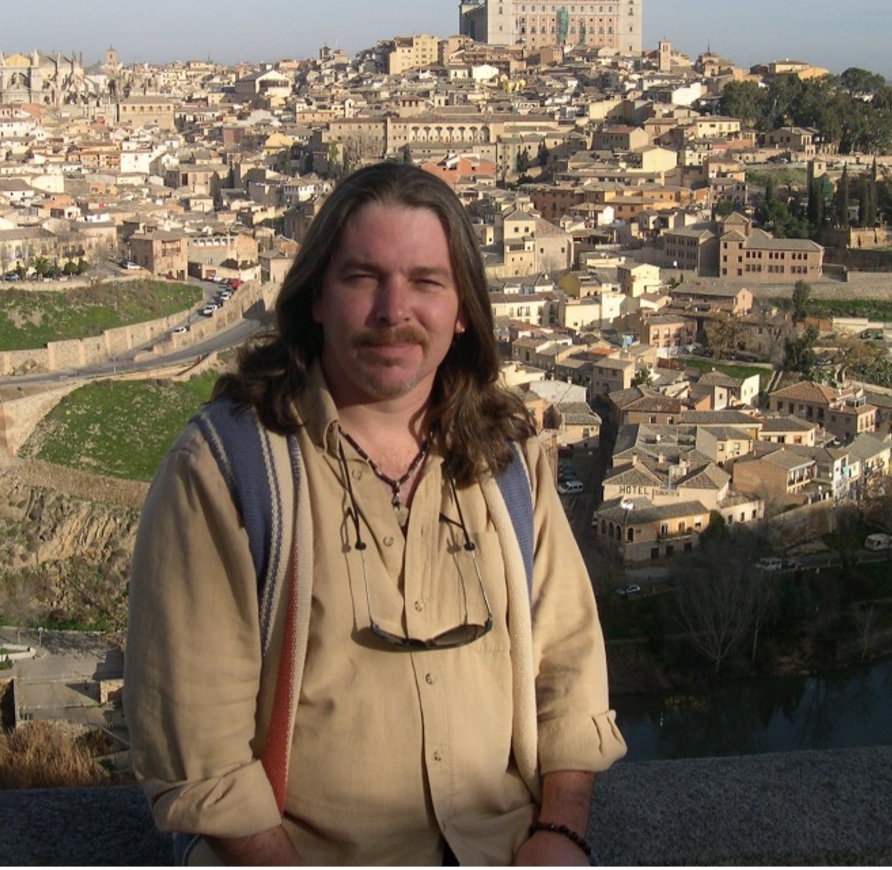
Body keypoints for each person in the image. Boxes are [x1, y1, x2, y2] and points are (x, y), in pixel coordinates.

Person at [124, 161, 625, 865]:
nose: (394, 310)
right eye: (363, 277)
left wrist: (561, 829)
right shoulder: (229, 469)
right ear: (318, 297)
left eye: (425, 281)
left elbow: (568, 667)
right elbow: (196, 746)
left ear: (461, 311)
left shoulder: (510, 462)